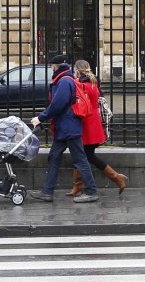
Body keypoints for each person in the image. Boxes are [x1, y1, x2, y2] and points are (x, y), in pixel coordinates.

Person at [29, 55, 99, 203]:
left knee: (80, 160)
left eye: (51, 66)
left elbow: (58, 104)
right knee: (54, 157)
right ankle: (47, 192)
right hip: (64, 128)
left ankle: (91, 191)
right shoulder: (64, 79)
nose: (50, 68)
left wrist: (41, 118)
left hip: (69, 127)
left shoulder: (65, 81)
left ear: (55, 66)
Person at [67, 59, 128, 196]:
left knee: (84, 156)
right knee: (83, 155)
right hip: (93, 123)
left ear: (77, 70)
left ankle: (116, 178)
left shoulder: (82, 85)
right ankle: (79, 185)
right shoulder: (94, 83)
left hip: (86, 123)